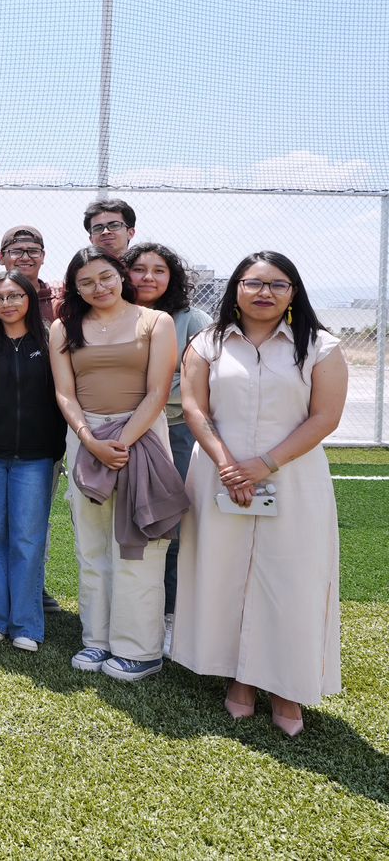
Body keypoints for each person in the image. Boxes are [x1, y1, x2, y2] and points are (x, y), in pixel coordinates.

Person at [174, 253, 345, 736]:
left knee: (292, 580)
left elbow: (325, 417)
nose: (264, 292)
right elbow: (195, 407)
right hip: (219, 475)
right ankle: (240, 680)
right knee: (223, 573)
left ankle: (287, 688)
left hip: (293, 476)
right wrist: (229, 465)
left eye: (277, 284)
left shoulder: (320, 346)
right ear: (236, 289)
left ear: (294, 293)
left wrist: (264, 463)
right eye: (253, 283)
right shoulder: (207, 343)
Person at [49, 247, 181, 682]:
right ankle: (97, 639)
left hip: (141, 437)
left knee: (139, 542)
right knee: (91, 544)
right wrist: (90, 441)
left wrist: (119, 444)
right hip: (85, 438)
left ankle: (139, 650)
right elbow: (65, 392)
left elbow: (158, 391)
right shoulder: (64, 327)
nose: (98, 288)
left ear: (121, 275)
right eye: (86, 282)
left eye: (105, 277)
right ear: (75, 288)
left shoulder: (155, 322)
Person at [0, 272, 65, 652]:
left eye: (16, 296)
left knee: (27, 540)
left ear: (29, 298)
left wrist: (55, 451)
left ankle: (26, 624)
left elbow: (61, 400)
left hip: (35, 460)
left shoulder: (49, 341)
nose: (8, 304)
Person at [125, 241, 212, 646]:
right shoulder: (114, 315)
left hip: (175, 430)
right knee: (127, 521)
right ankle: (131, 610)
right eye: (139, 269)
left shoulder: (192, 320)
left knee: (171, 523)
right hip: (121, 430)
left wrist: (156, 400)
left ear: (172, 277)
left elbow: (202, 381)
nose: (148, 277)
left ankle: (171, 613)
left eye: (158, 270)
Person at [0, 226, 63, 342]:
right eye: (16, 252)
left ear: (43, 257)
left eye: (33, 251)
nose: (25, 258)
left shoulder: (58, 298)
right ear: (1, 257)